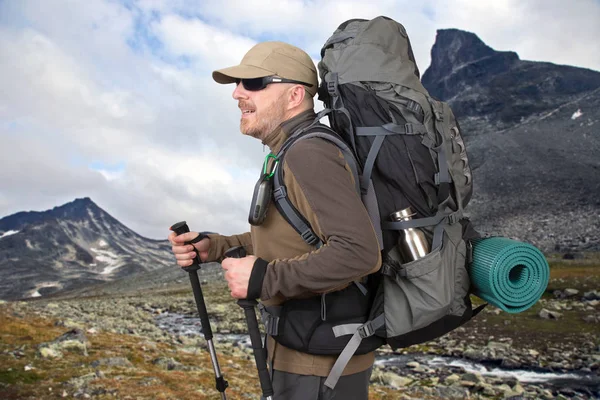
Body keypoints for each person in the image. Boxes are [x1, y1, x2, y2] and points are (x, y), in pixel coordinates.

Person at [168, 41, 381, 399]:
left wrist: (266, 277)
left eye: (254, 83)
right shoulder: (288, 152)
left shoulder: (308, 153)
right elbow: (296, 236)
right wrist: (217, 247)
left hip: (319, 363)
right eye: (239, 84)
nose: (237, 93)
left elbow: (360, 253)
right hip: (309, 346)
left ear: (295, 94)